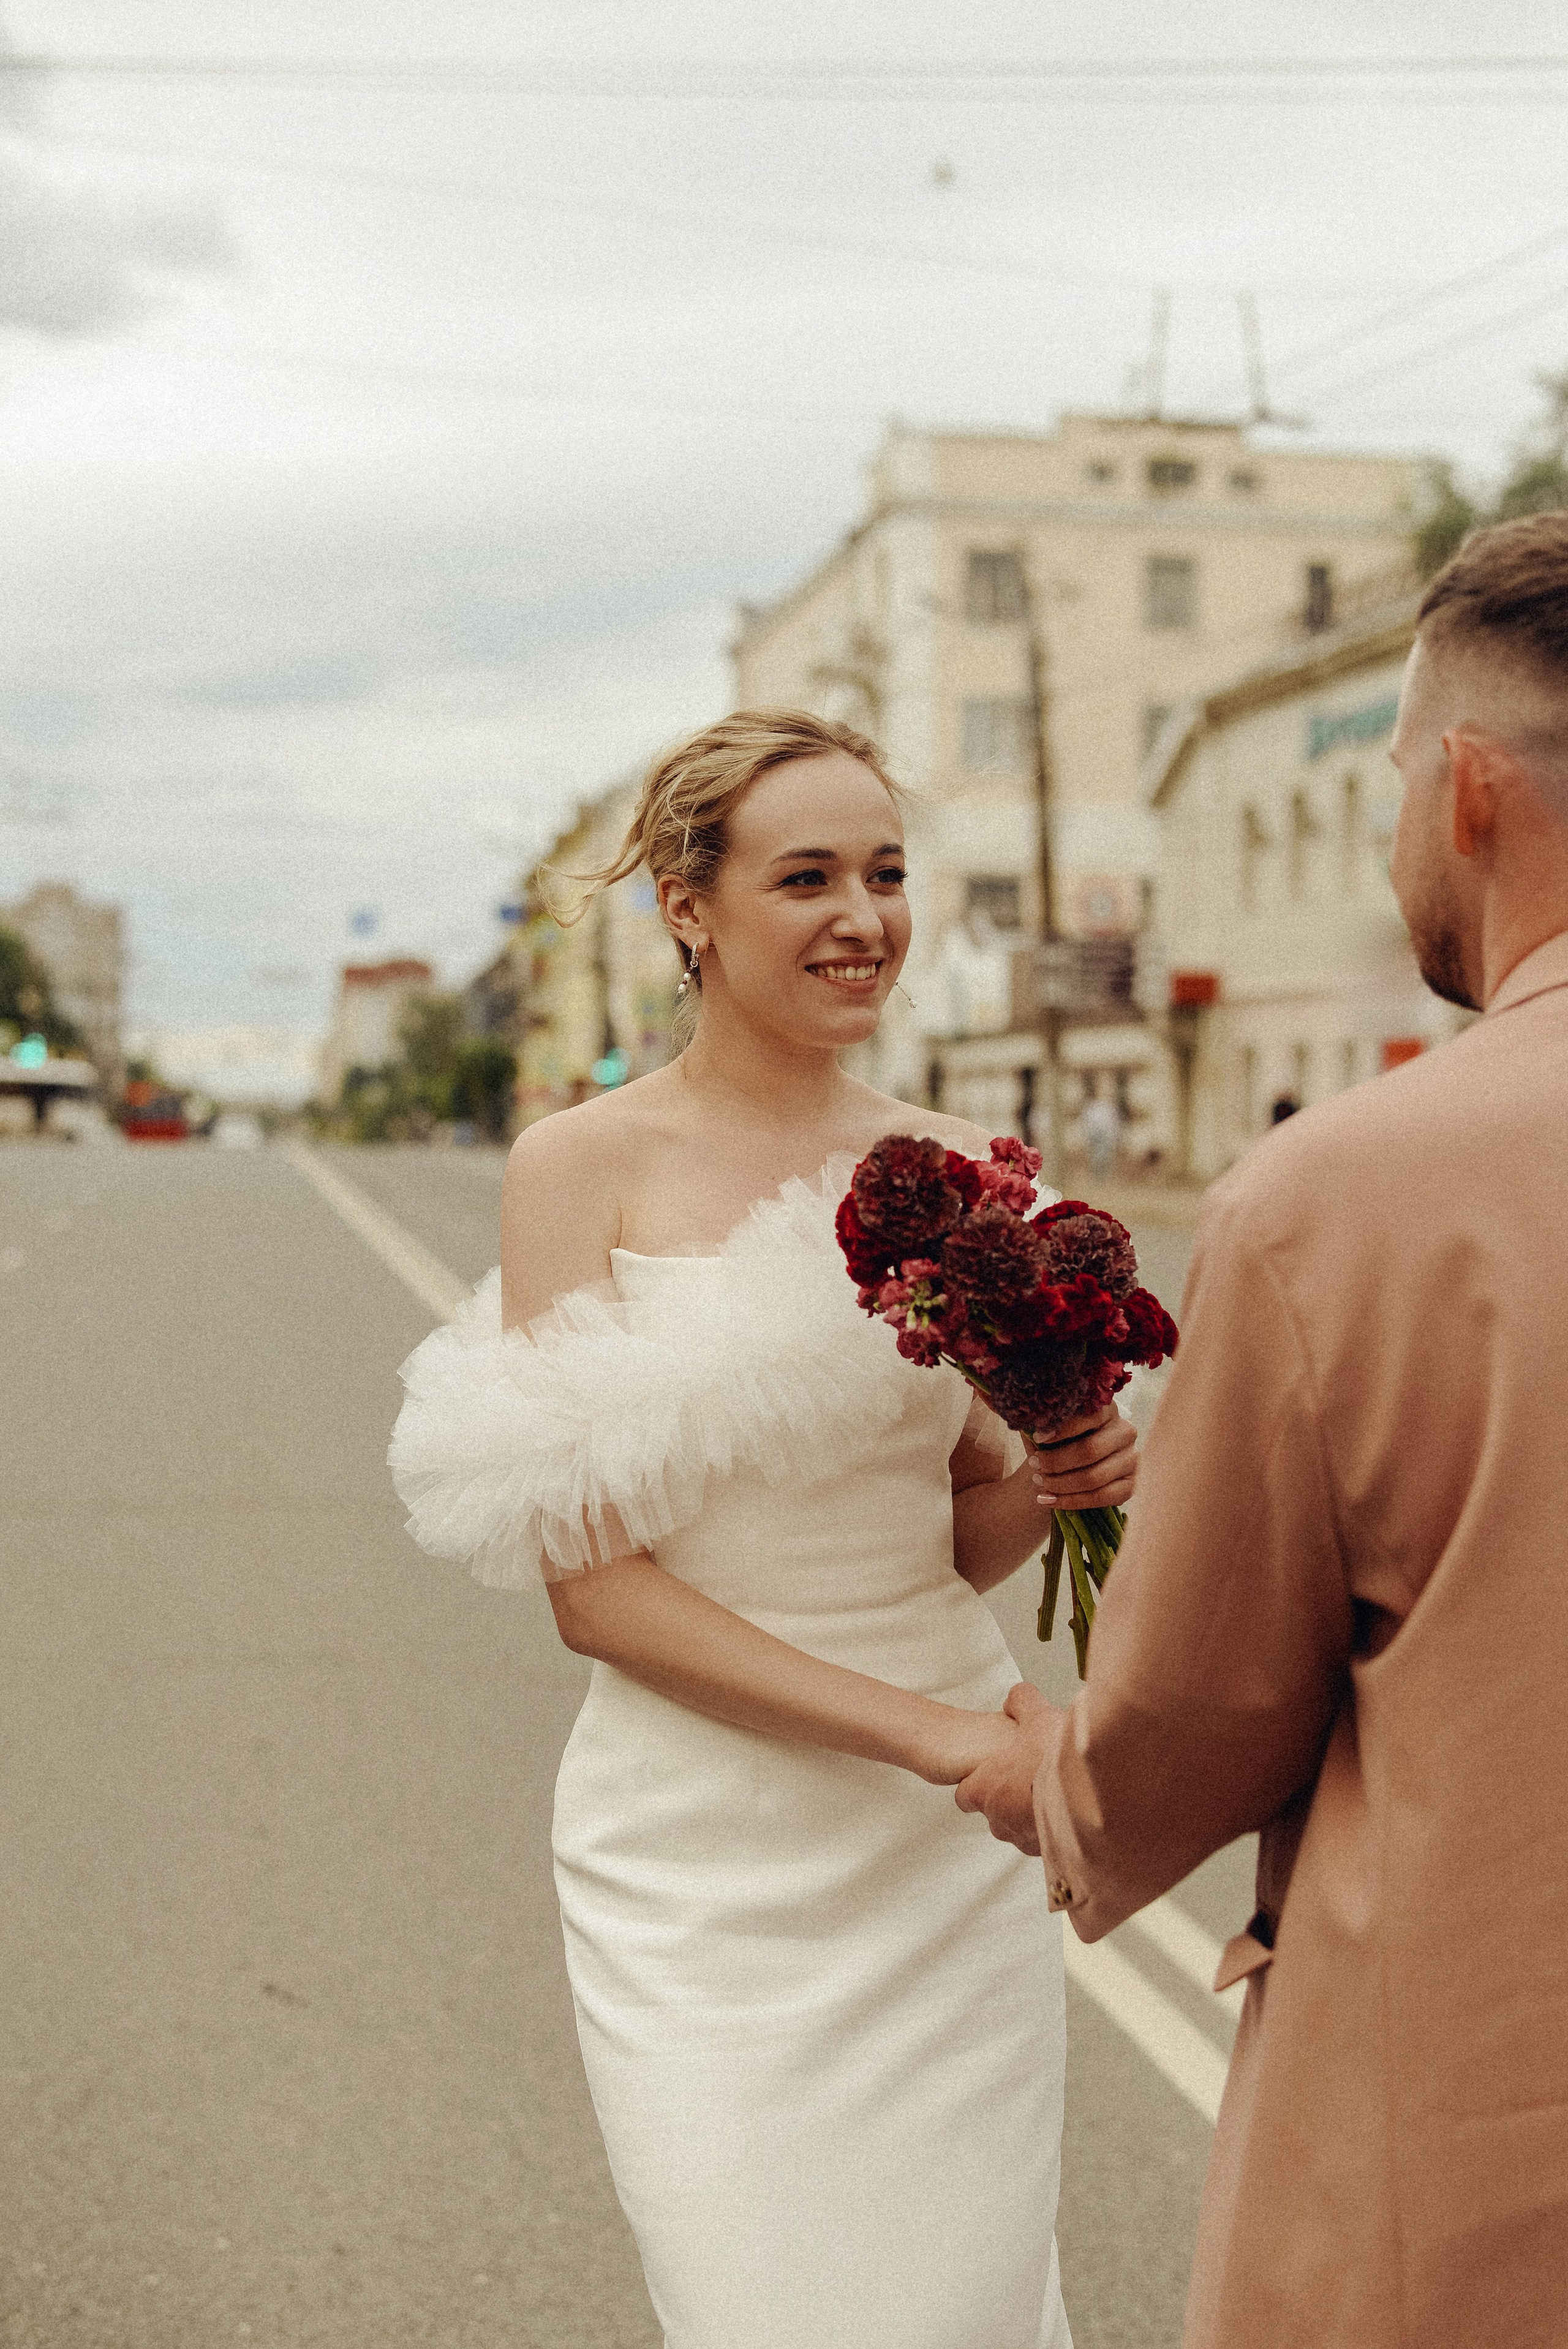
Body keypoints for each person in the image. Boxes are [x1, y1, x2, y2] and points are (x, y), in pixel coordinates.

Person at [388, 710, 1139, 2349]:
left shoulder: (961, 1169)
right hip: (703, 1858)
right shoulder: (578, 1166)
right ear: (689, 905)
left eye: (887, 873)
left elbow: (955, 1535)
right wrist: (943, 1735)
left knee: (960, 2310)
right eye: (807, 878)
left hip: (940, 1869)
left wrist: (1063, 1473)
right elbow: (596, 1594)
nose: (864, 917)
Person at [955, 511, 1568, 2348]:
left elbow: (1203, 1702)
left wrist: (1057, 1783)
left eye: (1392, 784)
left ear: (1470, 791)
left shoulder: (1347, 1196)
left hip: (1482, 2116)